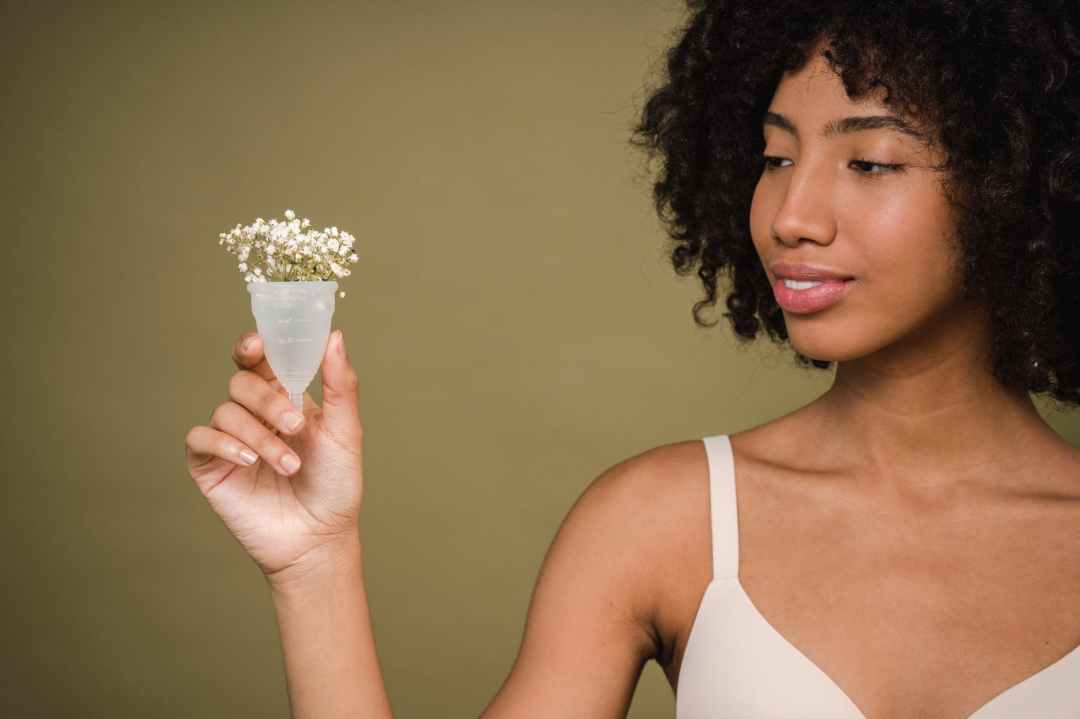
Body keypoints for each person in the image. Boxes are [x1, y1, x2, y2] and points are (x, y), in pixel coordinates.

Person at [185, 0, 1080, 716]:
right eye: (774, 157)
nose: (791, 214)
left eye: (873, 162)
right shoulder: (662, 522)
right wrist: (315, 564)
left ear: (1023, 181)